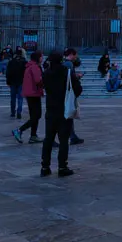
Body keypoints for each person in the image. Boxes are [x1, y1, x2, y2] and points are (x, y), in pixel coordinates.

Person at [39, 49, 82, 177]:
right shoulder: (67, 72)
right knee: (63, 140)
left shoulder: (46, 73)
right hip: (64, 109)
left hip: (51, 109)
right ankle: (62, 167)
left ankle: (45, 167)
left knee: (48, 139)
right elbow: (78, 90)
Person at [13, 50, 44, 143]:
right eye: (41, 57)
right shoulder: (35, 67)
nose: (42, 58)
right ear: (38, 58)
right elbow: (38, 80)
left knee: (34, 115)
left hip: (30, 93)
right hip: (34, 93)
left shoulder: (29, 66)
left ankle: (33, 136)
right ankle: (19, 130)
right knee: (37, 115)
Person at [63, 48, 86, 145]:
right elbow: (70, 78)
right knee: (67, 114)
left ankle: (73, 136)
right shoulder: (69, 64)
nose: (76, 57)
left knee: (69, 114)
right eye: (75, 55)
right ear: (71, 54)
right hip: (68, 92)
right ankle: (71, 136)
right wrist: (78, 77)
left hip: (66, 92)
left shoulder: (65, 64)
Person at [5, 48, 27, 120]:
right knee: (20, 98)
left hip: (13, 82)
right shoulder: (24, 62)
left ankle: (12, 112)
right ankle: (19, 112)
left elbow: (8, 73)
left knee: (13, 98)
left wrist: (8, 81)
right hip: (21, 82)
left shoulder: (11, 62)